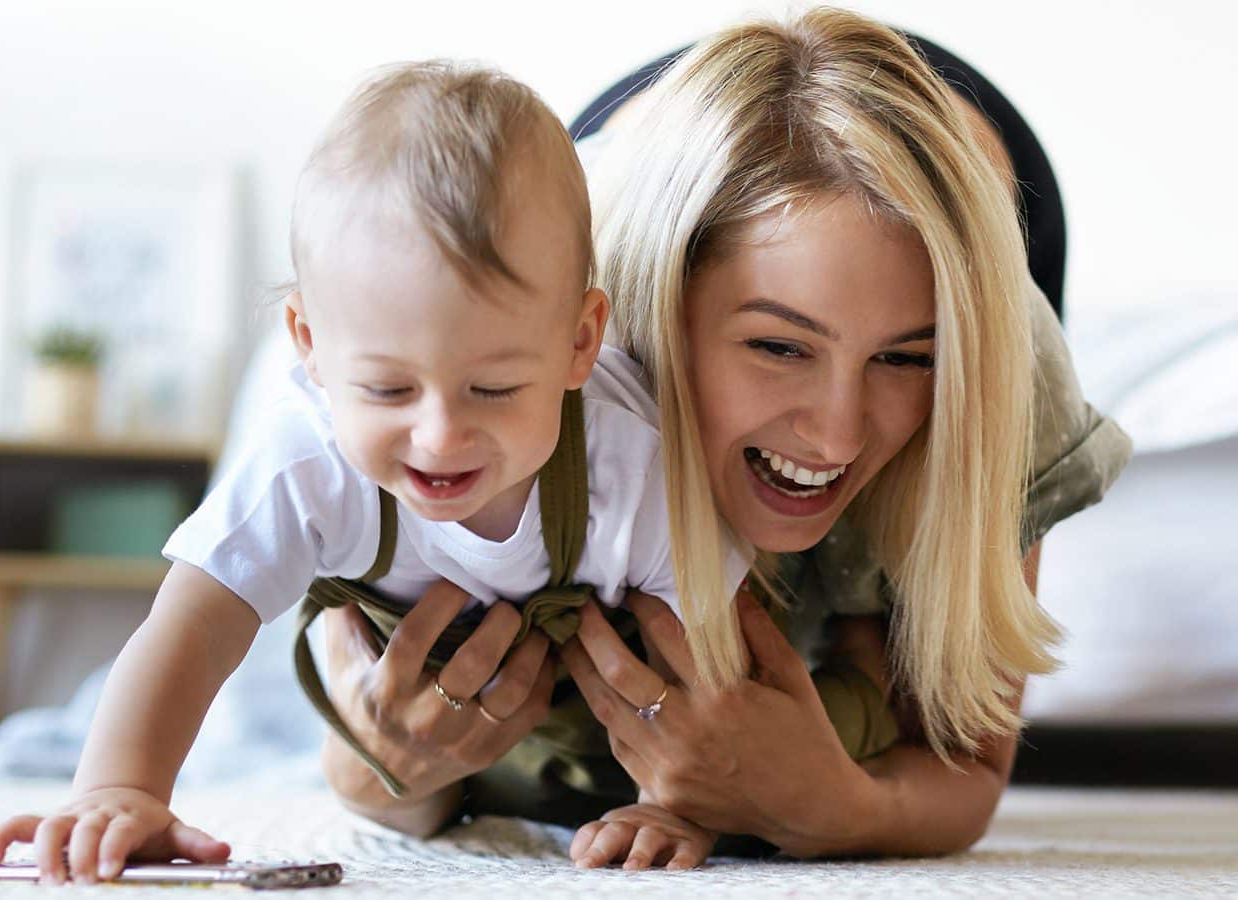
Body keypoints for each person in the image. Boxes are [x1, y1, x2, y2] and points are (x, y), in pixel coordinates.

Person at [315, 7, 1133, 870]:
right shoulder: (537, 336)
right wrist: (377, 770)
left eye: (903, 357)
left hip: (968, 149)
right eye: (780, 346)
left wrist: (837, 806)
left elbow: (962, 769)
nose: (836, 431)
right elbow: (365, 748)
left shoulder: (1002, 354)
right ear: (630, 323)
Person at [0, 60, 752, 884]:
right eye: (388, 388)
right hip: (402, 711)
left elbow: (709, 656)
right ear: (310, 346)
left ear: (579, 341)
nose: (439, 434)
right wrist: (120, 787)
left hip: (599, 709)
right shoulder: (305, 459)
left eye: (494, 387)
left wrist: (675, 804)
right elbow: (192, 628)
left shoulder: (628, 463)